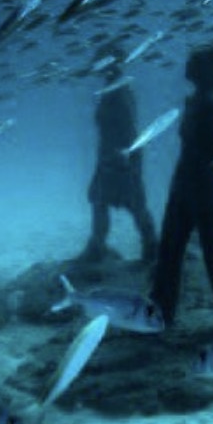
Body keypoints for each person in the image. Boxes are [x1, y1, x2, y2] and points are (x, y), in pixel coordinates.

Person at [150, 41, 213, 331]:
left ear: (206, 69)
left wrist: (210, 168)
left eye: (193, 62)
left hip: (201, 184)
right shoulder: (198, 100)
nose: (187, 65)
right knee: (172, 247)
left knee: (212, 249)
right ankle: (160, 311)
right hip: (187, 181)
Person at [78, 48, 158, 265]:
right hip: (110, 155)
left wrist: (126, 155)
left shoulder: (119, 89)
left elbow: (129, 126)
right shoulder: (114, 87)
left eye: (99, 60)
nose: (94, 64)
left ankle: (151, 248)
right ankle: (98, 246)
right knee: (100, 199)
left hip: (121, 155)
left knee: (133, 203)